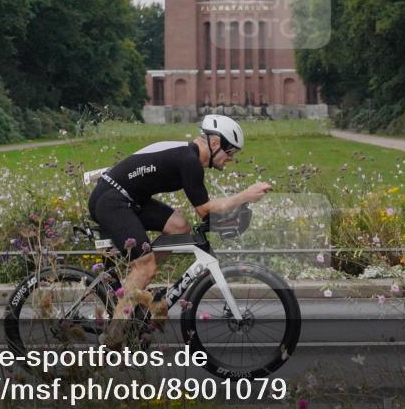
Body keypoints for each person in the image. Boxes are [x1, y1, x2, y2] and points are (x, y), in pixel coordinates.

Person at [88, 115, 272, 322]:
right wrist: (245, 195)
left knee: (179, 227)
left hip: (129, 198)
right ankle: (117, 332)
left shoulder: (188, 156)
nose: (231, 158)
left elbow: (205, 208)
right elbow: (204, 210)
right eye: (230, 151)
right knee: (146, 267)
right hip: (111, 200)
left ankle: (137, 278)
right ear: (214, 143)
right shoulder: (189, 160)